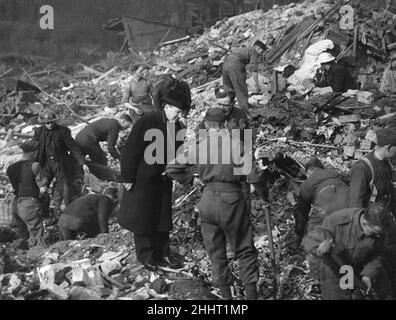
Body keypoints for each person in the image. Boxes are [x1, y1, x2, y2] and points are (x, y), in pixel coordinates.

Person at [167, 108, 267, 300]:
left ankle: (226, 299)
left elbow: (171, 168)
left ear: (205, 125)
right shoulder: (236, 145)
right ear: (226, 124)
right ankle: (251, 298)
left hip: (207, 200)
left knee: (216, 253)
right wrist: (264, 196)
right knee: (245, 249)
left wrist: (191, 180)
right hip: (231, 200)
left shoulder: (198, 146)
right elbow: (253, 176)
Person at [118, 86, 190, 271]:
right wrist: (127, 177)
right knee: (143, 218)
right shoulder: (148, 121)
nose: (179, 114)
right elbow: (131, 150)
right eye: (177, 110)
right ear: (166, 106)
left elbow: (179, 152)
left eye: (182, 112)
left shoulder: (179, 126)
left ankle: (163, 253)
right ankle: (146, 256)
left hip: (163, 179)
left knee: (162, 217)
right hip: (143, 178)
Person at [303, 204, 393, 300]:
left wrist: (368, 274)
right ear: (365, 223)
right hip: (335, 272)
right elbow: (309, 240)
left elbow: (378, 255)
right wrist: (319, 249)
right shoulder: (337, 221)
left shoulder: (382, 227)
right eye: (375, 233)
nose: (378, 236)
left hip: (360, 268)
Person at [32, 110, 89, 216]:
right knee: (42, 189)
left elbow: (73, 147)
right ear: (43, 123)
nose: (50, 125)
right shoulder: (38, 132)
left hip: (60, 164)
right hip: (45, 164)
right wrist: (31, 165)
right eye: (47, 123)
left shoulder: (63, 131)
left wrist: (82, 162)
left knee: (65, 188)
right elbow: (34, 148)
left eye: (52, 122)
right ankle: (45, 213)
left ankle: (63, 213)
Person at [290, 158, 350, 247]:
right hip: (349, 200)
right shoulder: (335, 173)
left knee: (313, 240)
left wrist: (298, 235)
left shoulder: (307, 184)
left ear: (309, 172)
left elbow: (302, 214)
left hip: (325, 202)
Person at [6, 141, 47, 246]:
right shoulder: (35, 166)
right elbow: (43, 189)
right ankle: (38, 257)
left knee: (23, 235)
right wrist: (42, 201)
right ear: (33, 153)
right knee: (37, 236)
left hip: (16, 205)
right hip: (30, 204)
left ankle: (25, 254)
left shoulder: (11, 168)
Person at [222, 40, 267, 111]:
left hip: (225, 64)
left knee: (229, 88)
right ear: (257, 48)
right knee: (241, 88)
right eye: (261, 52)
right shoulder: (253, 51)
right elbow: (254, 70)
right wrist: (257, 84)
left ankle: (227, 109)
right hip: (235, 66)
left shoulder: (244, 49)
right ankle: (245, 110)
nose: (260, 55)